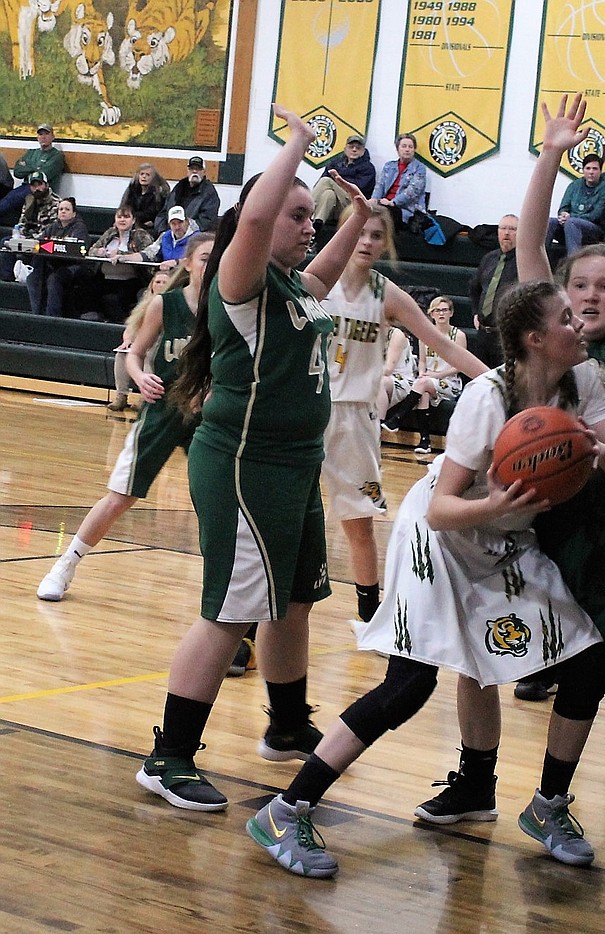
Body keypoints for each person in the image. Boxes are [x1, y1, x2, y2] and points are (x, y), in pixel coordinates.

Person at [246, 277, 605, 878]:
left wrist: (599, 454)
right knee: (410, 684)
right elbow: (442, 509)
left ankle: (538, 804)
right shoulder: (487, 398)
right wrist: (499, 503)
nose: (581, 325)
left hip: (508, 534)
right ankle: (286, 808)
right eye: (567, 318)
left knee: (586, 657)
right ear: (536, 339)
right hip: (443, 534)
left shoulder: (582, 382)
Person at [414, 95, 605, 867]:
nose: (596, 298)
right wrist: (551, 153)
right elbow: (533, 243)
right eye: (582, 291)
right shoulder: (548, 337)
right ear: (558, 309)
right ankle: (481, 781)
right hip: (542, 521)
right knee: (487, 652)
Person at [133, 105, 372, 812]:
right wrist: (295, 147)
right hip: (244, 464)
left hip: (294, 466)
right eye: (298, 215)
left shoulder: (292, 287)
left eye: (311, 217)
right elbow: (260, 219)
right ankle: (169, 757)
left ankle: (288, 724)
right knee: (231, 611)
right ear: (258, 226)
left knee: (293, 600)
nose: (308, 226)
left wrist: (359, 218)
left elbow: (326, 269)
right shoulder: (240, 282)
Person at [319, 203, 486, 623]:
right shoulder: (314, 283)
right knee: (283, 520)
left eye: (377, 235)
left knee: (359, 522)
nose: (367, 241)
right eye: (359, 232)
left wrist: (498, 381)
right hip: (306, 409)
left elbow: (444, 344)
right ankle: (248, 621)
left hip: (355, 416)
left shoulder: (386, 293)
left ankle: (371, 614)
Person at [36, 234, 216, 601]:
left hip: (208, 417)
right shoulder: (165, 305)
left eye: (217, 259)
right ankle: (65, 565)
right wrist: (139, 376)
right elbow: (133, 354)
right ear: (188, 261)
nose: (210, 265)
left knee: (216, 504)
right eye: (204, 258)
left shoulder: (229, 308)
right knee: (120, 496)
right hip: (163, 407)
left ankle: (227, 591)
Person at [383, 294, 469, 455]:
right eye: (437, 310)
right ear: (431, 314)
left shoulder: (458, 335)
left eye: (444, 310)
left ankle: (397, 419)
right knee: (423, 393)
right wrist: (422, 373)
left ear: (451, 313)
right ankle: (425, 441)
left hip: (449, 381)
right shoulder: (425, 335)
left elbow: (459, 366)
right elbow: (422, 362)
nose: (441, 313)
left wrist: (436, 375)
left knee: (422, 385)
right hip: (428, 380)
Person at [108, 267, 172, 412]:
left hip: (162, 343)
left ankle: (144, 397)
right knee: (122, 354)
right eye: (157, 281)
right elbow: (131, 326)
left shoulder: (172, 302)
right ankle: (121, 395)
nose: (160, 285)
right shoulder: (145, 302)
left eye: (164, 282)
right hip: (143, 342)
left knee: (150, 355)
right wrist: (127, 341)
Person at [82, 204, 156, 322]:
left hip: (131, 280)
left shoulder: (141, 235)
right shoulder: (110, 233)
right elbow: (91, 250)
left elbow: (148, 255)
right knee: (85, 289)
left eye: (126, 217)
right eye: (119, 217)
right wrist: (99, 251)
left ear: (133, 220)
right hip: (106, 278)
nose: (122, 220)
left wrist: (121, 254)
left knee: (112, 299)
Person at [467, 214, 518, 368]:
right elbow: (474, 288)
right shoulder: (489, 258)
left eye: (512, 229)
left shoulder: (523, 261)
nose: (507, 233)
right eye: (503, 228)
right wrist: (476, 312)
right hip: (483, 334)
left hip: (506, 336)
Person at [24, 197, 88, 317]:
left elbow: (76, 250)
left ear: (74, 213)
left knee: (54, 278)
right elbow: (40, 242)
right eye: (60, 209)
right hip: (54, 263)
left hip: (74, 266)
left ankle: (52, 317)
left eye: (67, 209)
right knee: (32, 278)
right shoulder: (53, 227)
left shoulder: (79, 228)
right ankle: (37, 314)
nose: (63, 211)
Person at [0, 169, 60, 283]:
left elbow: (52, 229)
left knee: (40, 248)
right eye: (33, 185)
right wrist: (19, 234)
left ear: (46, 185)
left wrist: (32, 238)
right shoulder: (29, 201)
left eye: (40, 185)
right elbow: (22, 222)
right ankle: (8, 281)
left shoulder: (56, 204)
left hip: (44, 242)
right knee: (5, 243)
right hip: (27, 239)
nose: (37, 188)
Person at [545, 151, 605, 256]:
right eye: (588, 168)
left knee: (572, 223)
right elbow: (563, 207)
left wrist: (570, 218)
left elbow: (596, 215)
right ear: (583, 170)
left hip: (593, 231)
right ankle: (540, 259)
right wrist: (563, 214)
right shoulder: (574, 185)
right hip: (570, 226)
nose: (591, 172)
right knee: (550, 222)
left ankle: (573, 262)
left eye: (595, 169)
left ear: (600, 171)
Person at [0, 123, 65, 221]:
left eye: (46, 134)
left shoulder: (56, 156)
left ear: (52, 136)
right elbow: (17, 172)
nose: (43, 137)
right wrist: (36, 168)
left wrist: (27, 166)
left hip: (42, 190)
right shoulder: (31, 152)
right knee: (9, 197)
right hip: (25, 186)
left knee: (11, 199)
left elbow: (42, 176)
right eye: (40, 134)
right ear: (37, 138)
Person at [311, 133, 377, 231]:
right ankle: (317, 226)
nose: (354, 149)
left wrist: (337, 181)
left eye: (358, 148)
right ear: (345, 149)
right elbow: (320, 183)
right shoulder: (335, 163)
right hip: (336, 208)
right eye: (351, 147)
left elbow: (357, 189)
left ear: (363, 151)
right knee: (329, 194)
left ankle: (308, 210)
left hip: (353, 205)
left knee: (326, 181)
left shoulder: (368, 168)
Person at [372, 133, 428, 227]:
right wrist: (374, 200)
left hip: (406, 210)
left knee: (385, 214)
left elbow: (412, 191)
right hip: (385, 204)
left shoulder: (420, 168)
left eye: (410, 147)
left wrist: (393, 202)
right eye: (404, 146)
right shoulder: (389, 166)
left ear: (414, 150)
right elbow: (380, 186)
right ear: (397, 149)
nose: (407, 149)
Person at [155, 156, 221, 233]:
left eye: (198, 169)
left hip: (192, 236)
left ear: (204, 172)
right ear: (188, 171)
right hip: (168, 232)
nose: (195, 171)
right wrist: (162, 230)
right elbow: (163, 212)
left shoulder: (209, 193)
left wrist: (184, 232)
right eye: (192, 168)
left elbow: (206, 222)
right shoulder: (178, 188)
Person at [127, 206, 199, 270]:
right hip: (167, 277)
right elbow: (148, 254)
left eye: (180, 222)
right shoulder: (165, 236)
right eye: (173, 223)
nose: (177, 227)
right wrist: (125, 257)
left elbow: (198, 260)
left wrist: (176, 262)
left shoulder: (198, 238)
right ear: (169, 224)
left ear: (187, 222)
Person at [121, 163, 170, 235]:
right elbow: (124, 207)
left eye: (147, 175)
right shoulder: (132, 190)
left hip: (150, 227)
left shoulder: (159, 193)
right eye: (142, 174)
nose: (144, 177)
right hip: (130, 223)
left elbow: (154, 213)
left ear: (153, 178)